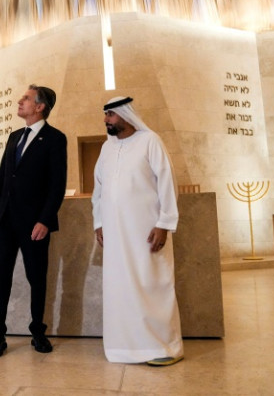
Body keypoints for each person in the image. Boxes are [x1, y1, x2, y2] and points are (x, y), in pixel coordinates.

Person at [91, 96, 184, 366]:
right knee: (120, 288)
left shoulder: (150, 141)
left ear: (125, 115)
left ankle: (163, 347)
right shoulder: (106, 150)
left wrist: (164, 223)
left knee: (152, 284)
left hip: (146, 231)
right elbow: (99, 190)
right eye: (105, 115)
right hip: (116, 236)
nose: (106, 120)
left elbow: (167, 182)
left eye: (110, 115)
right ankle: (124, 348)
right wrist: (99, 222)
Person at [0, 84, 68, 358]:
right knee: (1, 279)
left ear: (40, 106)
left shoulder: (55, 139)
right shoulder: (13, 137)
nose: (20, 101)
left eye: (26, 98)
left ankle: (38, 332)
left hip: (35, 225)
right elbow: (2, 177)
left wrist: (45, 220)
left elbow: (57, 185)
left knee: (37, 279)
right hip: (7, 221)